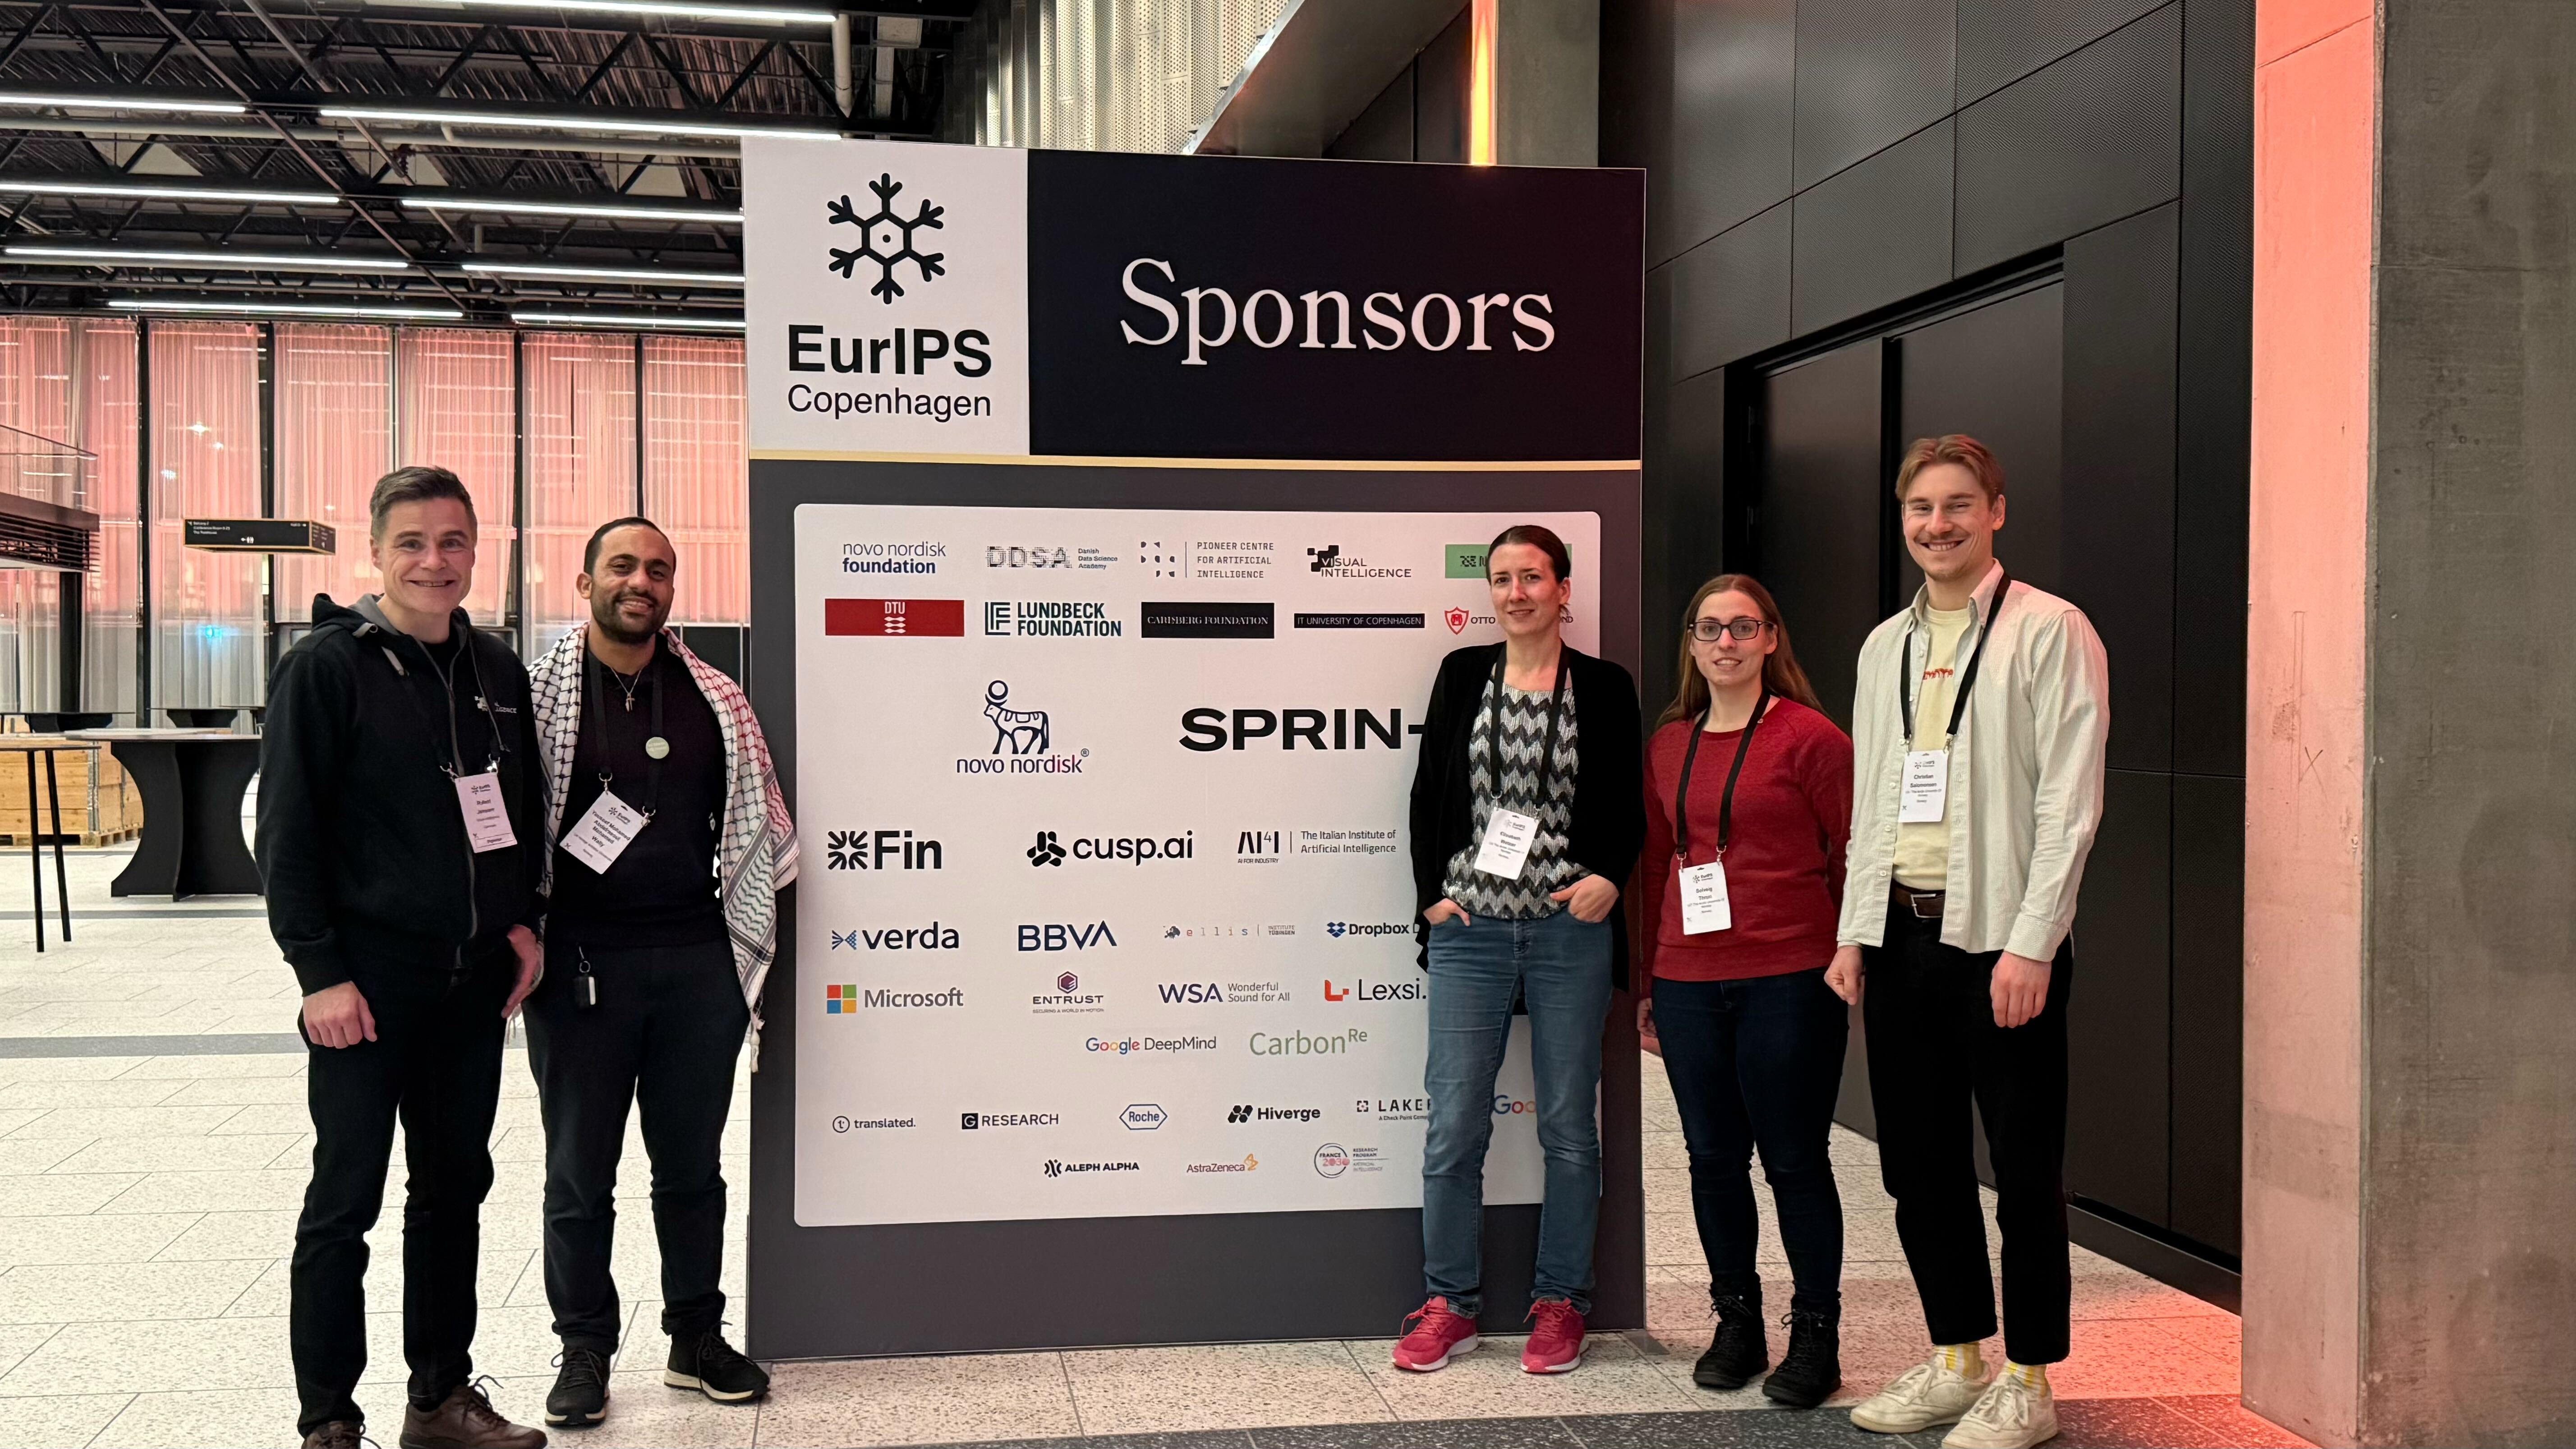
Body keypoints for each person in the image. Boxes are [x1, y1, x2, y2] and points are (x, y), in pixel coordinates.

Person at [258, 465, 550, 1449]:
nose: (435, 561)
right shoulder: (325, 667)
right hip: (367, 985)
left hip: (470, 986)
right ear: (377, 552)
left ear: (476, 550)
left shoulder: (494, 668)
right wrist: (319, 972)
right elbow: (286, 834)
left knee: (453, 1192)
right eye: (414, 543)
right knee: (345, 1201)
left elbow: (517, 811)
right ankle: (329, 1420)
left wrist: (521, 920)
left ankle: (439, 1398)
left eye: (453, 541)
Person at [1829, 436, 2108, 1449]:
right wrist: (1853, 930)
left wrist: (2033, 943)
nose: (1936, 524)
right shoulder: (1883, 646)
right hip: (1900, 938)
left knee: (2025, 1171)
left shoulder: (2049, 629)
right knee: (1919, 1165)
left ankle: (2029, 1375)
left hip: (2001, 943)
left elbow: (2070, 803)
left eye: (1957, 504)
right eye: (1920, 508)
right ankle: (1958, 1357)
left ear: (1996, 510)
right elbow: (1874, 798)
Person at [524, 518, 796, 1428]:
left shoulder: (714, 697)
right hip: (579, 968)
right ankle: (584, 1347)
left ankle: (696, 1337)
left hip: (695, 963)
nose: (641, 581)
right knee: (579, 1173)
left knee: (692, 1169)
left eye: (659, 569)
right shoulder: (537, 695)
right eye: (622, 566)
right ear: (586, 581)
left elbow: (756, 822)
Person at [1394, 524, 1644, 1376]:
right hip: (1470, 931)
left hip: (1569, 931)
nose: (1516, 593)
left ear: (1563, 588)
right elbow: (1428, 792)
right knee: (1453, 1125)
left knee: (1570, 1126)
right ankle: (1450, 1304)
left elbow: (1628, 800)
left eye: (1532, 576)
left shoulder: (1603, 685)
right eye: (1502, 579)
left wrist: (1608, 875)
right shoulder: (1464, 673)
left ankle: (1562, 1302)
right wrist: (1430, 896)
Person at [1636, 574, 1853, 1407]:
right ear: (1692, 645)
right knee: (1713, 1158)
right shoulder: (1668, 745)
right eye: (1710, 628)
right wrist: (1650, 981)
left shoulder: (1812, 738)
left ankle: (1817, 1332)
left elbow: (1853, 851)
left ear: (1770, 639)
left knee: (1795, 1159)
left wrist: (1850, 951)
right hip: (1688, 980)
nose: (1725, 642)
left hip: (1790, 977)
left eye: (1742, 627)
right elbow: (1656, 864)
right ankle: (1738, 1322)